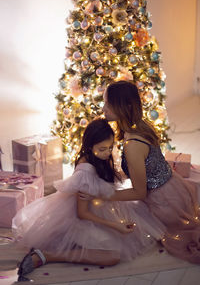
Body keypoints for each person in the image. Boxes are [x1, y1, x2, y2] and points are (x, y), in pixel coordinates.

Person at [13, 118, 165, 282]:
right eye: (102, 149)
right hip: (84, 218)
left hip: (102, 208)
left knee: (144, 227)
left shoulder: (102, 158)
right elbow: (82, 213)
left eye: (110, 147)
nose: (108, 152)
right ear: (90, 146)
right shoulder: (85, 171)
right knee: (112, 256)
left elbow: (110, 182)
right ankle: (48, 256)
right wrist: (115, 225)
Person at [79, 80, 200, 264]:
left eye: (108, 104)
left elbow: (139, 192)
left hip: (164, 204)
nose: (103, 109)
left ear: (122, 106)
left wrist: (102, 195)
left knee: (119, 220)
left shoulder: (132, 145)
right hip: (174, 189)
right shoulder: (141, 125)